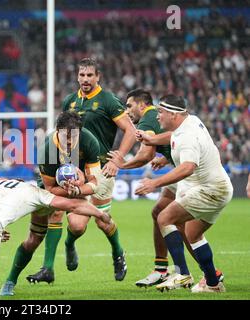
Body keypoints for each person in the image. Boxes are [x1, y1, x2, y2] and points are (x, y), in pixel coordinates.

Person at [27, 57, 136, 284]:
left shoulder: (107, 101)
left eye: (90, 75)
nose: (85, 79)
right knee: (72, 222)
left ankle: (117, 252)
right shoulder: (70, 101)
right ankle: (61, 254)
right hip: (75, 168)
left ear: (98, 77)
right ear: (77, 76)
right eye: (82, 75)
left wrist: (117, 160)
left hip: (101, 168)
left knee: (102, 221)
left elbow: (131, 131)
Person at [107, 89, 223, 288]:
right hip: (185, 169)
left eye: (129, 105)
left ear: (142, 105)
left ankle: (194, 273)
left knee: (174, 221)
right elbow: (173, 136)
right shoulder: (177, 119)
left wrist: (122, 164)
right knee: (162, 213)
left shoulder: (147, 118)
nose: (126, 111)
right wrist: (166, 157)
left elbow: (145, 155)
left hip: (190, 175)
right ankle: (166, 269)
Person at [0, 111, 111, 296]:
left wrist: (79, 188)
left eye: (73, 136)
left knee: (77, 227)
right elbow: (50, 189)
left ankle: (66, 247)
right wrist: (70, 189)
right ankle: (10, 280)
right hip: (48, 192)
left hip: (78, 189)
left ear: (80, 133)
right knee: (34, 239)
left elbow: (95, 182)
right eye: (65, 136)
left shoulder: (89, 141)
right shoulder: (47, 149)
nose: (69, 141)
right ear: (57, 131)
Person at [135, 94, 233, 293]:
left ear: (173, 114)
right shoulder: (190, 122)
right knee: (193, 234)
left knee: (164, 217)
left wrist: (155, 182)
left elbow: (188, 167)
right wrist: (153, 140)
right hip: (220, 187)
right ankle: (213, 283)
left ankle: (181, 274)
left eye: (161, 112)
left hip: (209, 190)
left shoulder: (187, 136)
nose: (157, 116)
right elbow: (173, 139)